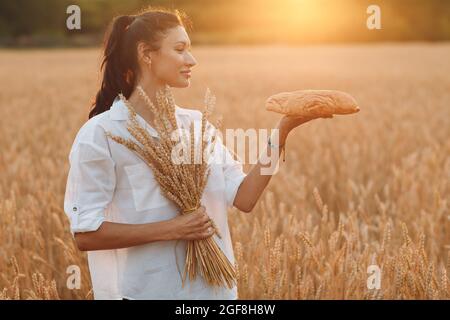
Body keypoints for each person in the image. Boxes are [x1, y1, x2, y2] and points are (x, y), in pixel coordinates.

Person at [63, 6, 328, 300]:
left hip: (215, 295)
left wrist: (282, 131)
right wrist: (172, 228)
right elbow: (86, 234)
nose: (192, 60)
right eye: (180, 49)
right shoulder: (101, 135)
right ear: (146, 54)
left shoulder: (196, 125)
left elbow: (245, 197)